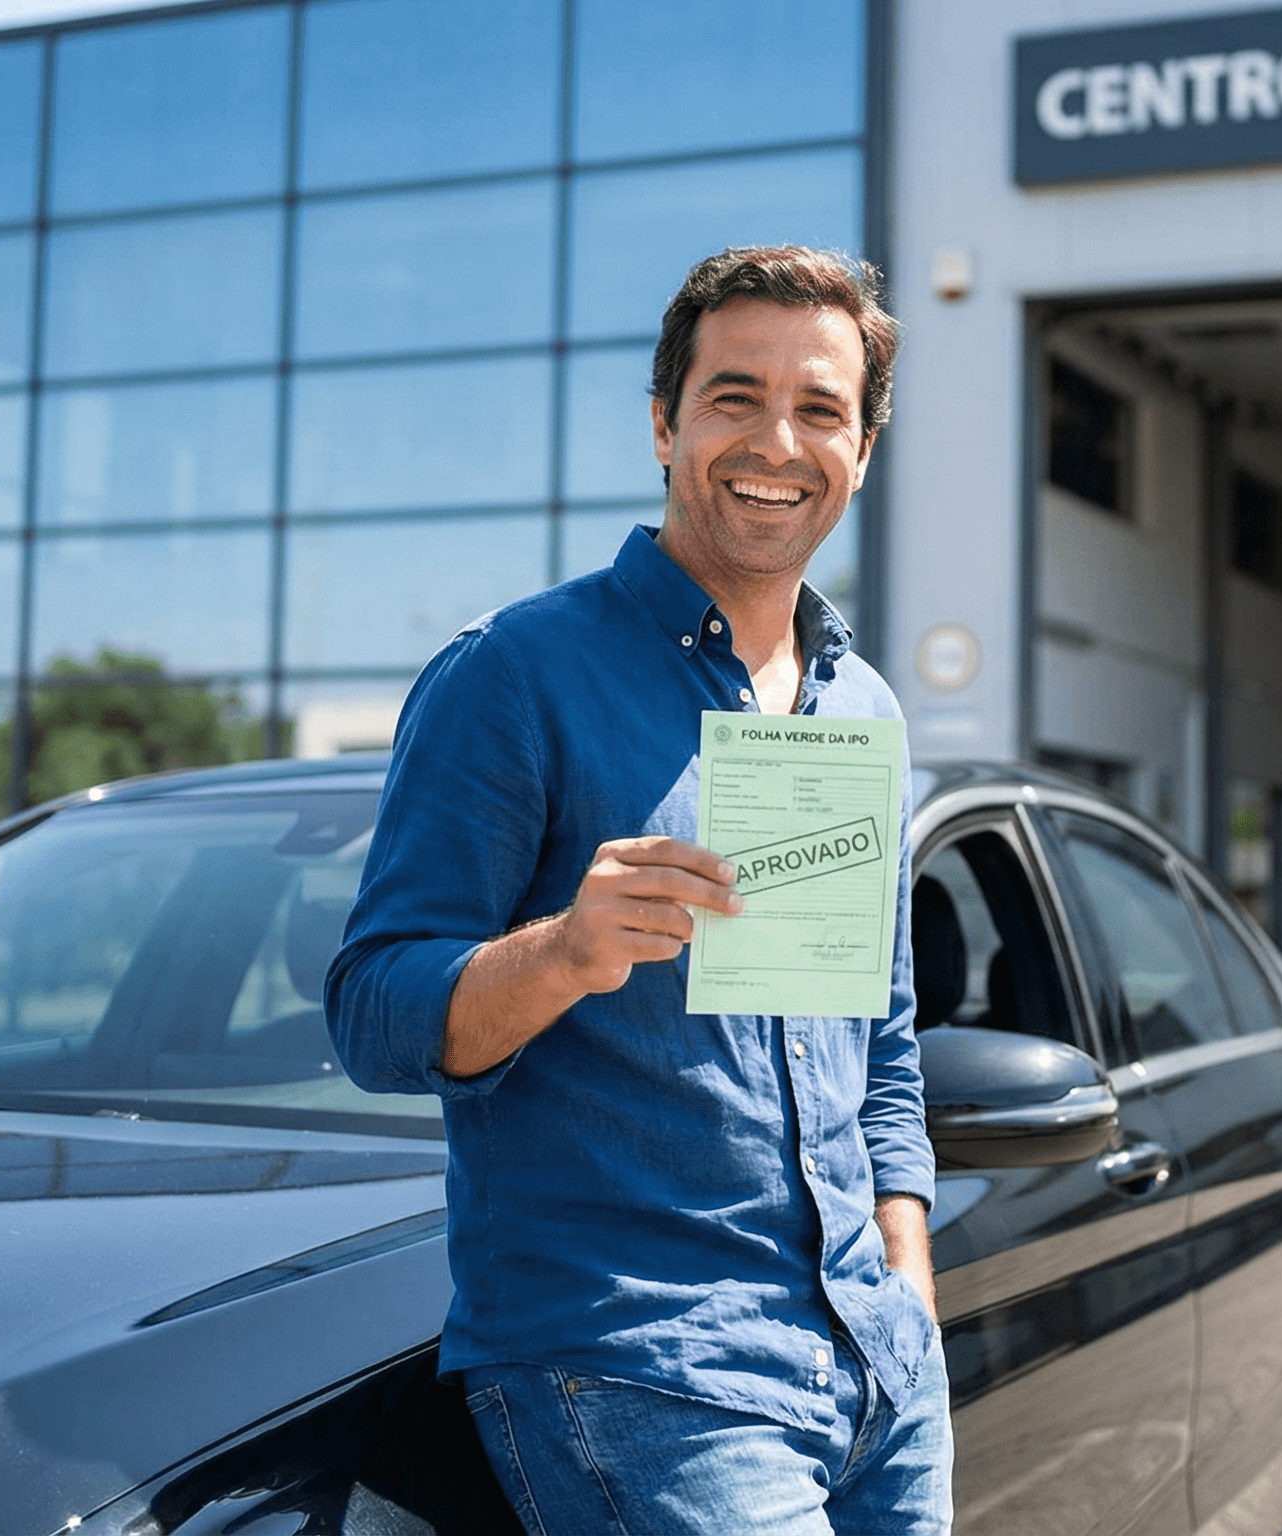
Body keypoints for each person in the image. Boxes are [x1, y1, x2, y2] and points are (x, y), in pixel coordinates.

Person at [325, 246, 948, 1535]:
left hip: (876, 1366)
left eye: (820, 408)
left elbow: (879, 1043)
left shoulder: (859, 707)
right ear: (664, 422)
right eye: (733, 396)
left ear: (863, 448)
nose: (777, 439)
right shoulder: (515, 672)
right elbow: (373, 1012)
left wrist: (908, 1279)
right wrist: (562, 952)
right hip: (645, 1366)